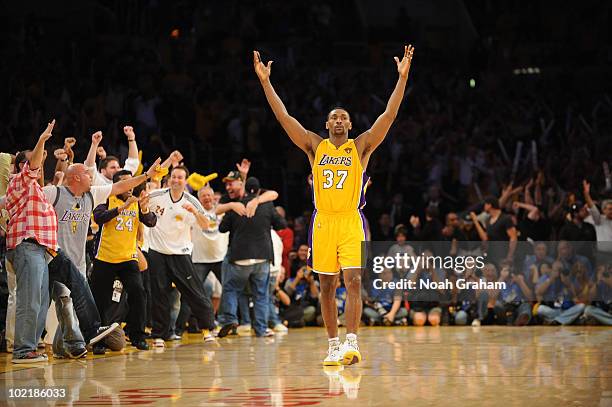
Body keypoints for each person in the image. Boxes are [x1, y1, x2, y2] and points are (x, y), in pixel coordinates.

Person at [254, 44, 414, 365]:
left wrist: (402, 78)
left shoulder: (361, 145)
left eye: (344, 117)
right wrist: (265, 82)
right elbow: (283, 117)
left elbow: (389, 115)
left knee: (353, 280)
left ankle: (352, 342)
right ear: (327, 125)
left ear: (350, 125)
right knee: (327, 286)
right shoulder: (314, 145)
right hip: (323, 222)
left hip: (351, 221)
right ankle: (332, 345)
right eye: (333, 117)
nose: (338, 119)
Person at [146, 166, 216, 346]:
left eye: (180, 178)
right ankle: (159, 335)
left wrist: (194, 212)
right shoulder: (156, 195)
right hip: (157, 251)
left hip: (181, 253)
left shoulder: (191, 200)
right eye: (174, 177)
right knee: (159, 294)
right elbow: (141, 204)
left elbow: (206, 224)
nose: (176, 180)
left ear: (186, 181)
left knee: (194, 292)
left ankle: (207, 329)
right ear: (169, 179)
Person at [90, 170, 158, 350]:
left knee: (138, 293)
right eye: (126, 183)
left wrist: (144, 209)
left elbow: (151, 221)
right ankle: (99, 340)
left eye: (132, 183)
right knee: (100, 300)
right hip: (104, 257)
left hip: (128, 258)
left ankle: (137, 335)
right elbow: (99, 217)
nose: (130, 186)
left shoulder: (136, 203)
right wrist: (122, 207)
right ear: (117, 185)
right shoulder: (106, 199)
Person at [217, 177, 286, 337]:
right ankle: (261, 329)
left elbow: (222, 228)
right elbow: (281, 224)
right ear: (259, 190)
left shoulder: (237, 206)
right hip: (262, 257)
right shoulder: (267, 205)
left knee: (232, 289)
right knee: (261, 294)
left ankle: (230, 320)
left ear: (245, 189)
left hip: (239, 257)